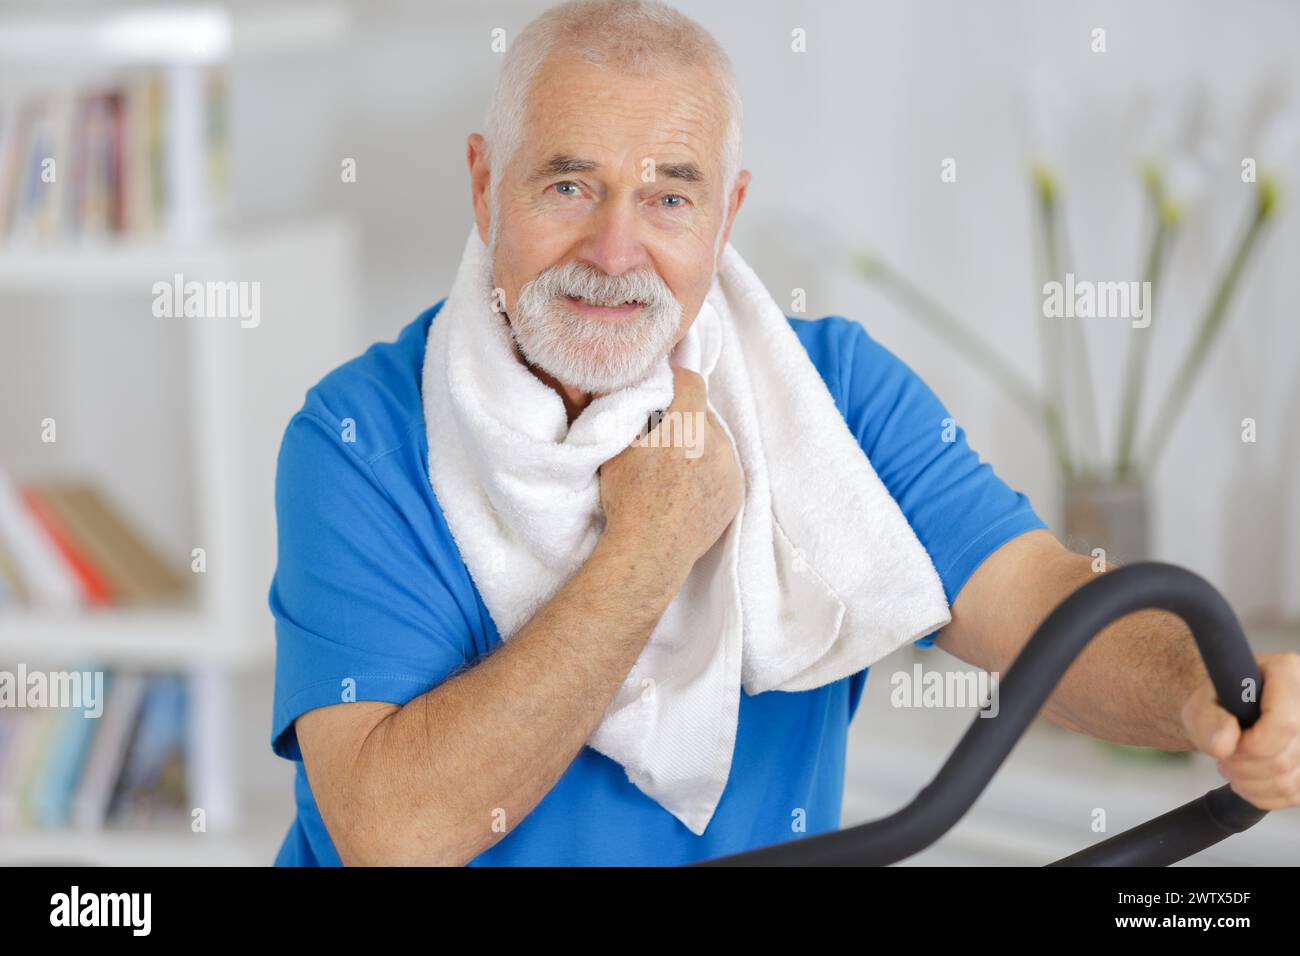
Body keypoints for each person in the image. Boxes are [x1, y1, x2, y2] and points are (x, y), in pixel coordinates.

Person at [268, 0, 1300, 866]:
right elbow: (394, 831)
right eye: (569, 184)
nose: (615, 248)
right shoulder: (358, 438)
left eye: (670, 195)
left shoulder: (828, 391)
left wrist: (1219, 693)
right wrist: (652, 541)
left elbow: (1039, 605)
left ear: (726, 215)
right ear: (486, 183)